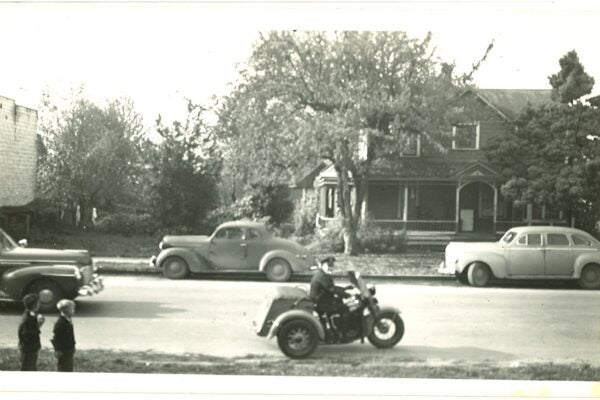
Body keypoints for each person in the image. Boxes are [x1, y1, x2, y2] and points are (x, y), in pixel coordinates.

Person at [309, 256, 350, 338]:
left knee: (339, 301)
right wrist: (348, 295)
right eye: (328, 265)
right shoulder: (323, 276)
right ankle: (343, 334)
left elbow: (330, 287)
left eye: (331, 265)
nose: (330, 267)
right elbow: (332, 289)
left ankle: (334, 329)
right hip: (322, 303)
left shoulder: (321, 274)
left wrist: (345, 288)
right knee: (345, 309)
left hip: (320, 300)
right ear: (322, 265)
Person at [18, 293, 45, 371]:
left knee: (31, 366)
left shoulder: (29, 315)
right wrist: (39, 325)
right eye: (38, 303)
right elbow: (28, 335)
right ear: (35, 305)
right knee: (28, 367)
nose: (39, 305)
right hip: (28, 349)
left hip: (30, 348)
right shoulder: (28, 319)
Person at [51, 299, 76, 372]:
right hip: (64, 351)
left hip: (69, 349)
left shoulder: (68, 320)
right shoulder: (60, 323)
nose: (73, 311)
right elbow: (56, 338)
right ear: (67, 310)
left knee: (69, 367)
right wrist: (57, 349)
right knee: (64, 368)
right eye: (72, 309)